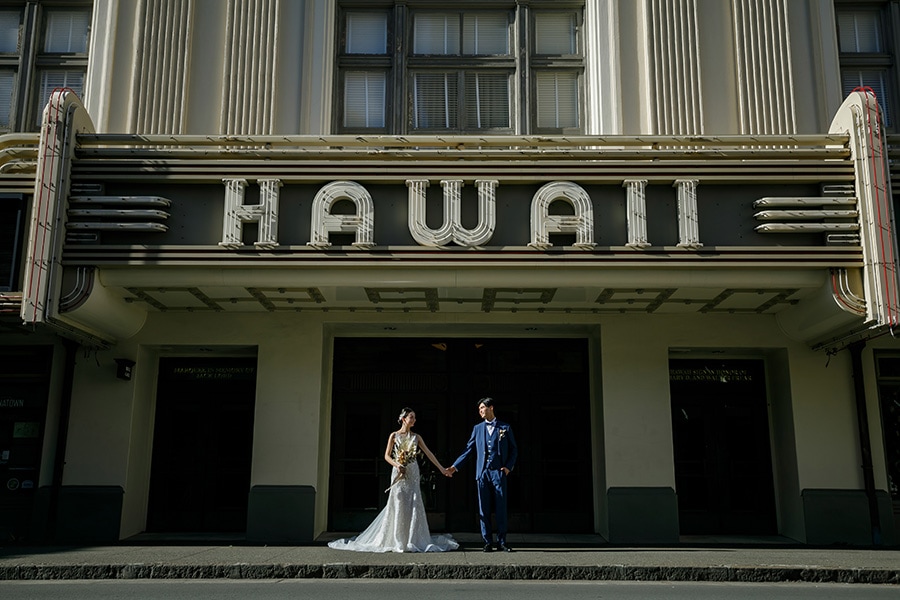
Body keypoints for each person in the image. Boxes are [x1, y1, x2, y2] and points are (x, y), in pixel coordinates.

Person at [328, 407, 458, 553]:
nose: (414, 420)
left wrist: (442, 469)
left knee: (414, 502)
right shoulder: (394, 436)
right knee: (398, 500)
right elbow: (386, 455)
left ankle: (412, 539)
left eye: (415, 417)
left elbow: (428, 453)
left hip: (413, 472)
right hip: (398, 471)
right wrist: (397, 465)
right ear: (403, 419)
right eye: (411, 417)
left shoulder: (416, 437)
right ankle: (397, 539)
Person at [446, 397, 518, 552]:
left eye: (482, 408)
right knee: (483, 508)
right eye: (479, 409)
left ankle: (502, 541)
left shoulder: (505, 427)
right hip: (482, 472)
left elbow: (514, 449)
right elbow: (468, 450)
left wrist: (507, 467)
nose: (480, 411)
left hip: (498, 472)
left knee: (501, 507)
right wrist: (455, 467)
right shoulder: (477, 429)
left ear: (491, 408)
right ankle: (487, 541)